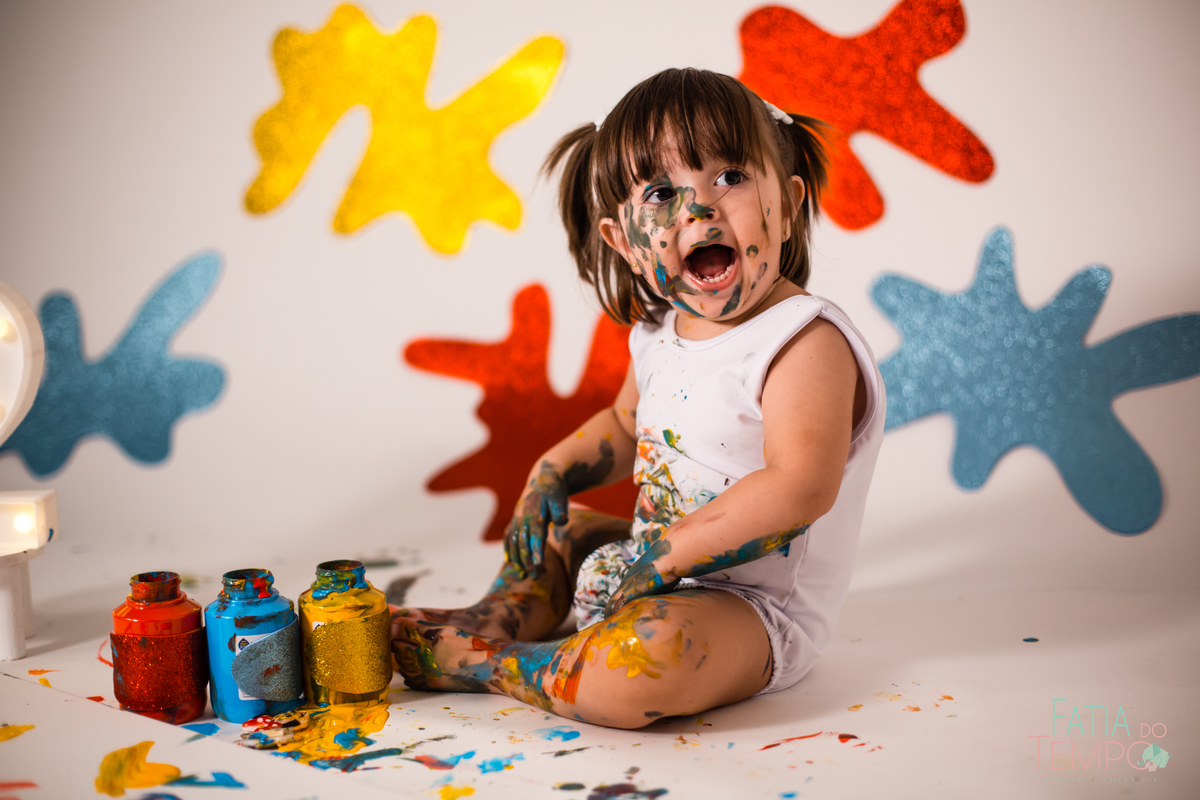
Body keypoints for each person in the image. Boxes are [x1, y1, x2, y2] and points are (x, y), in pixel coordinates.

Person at [391, 68, 885, 729]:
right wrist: (554, 470)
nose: (699, 210)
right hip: (649, 565)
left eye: (730, 176)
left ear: (789, 203)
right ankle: (499, 615)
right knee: (561, 531)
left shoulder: (802, 340)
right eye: (660, 193)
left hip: (750, 612)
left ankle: (495, 662)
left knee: (641, 663)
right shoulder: (658, 332)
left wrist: (665, 557)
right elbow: (626, 427)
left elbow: (800, 486)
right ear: (623, 242)